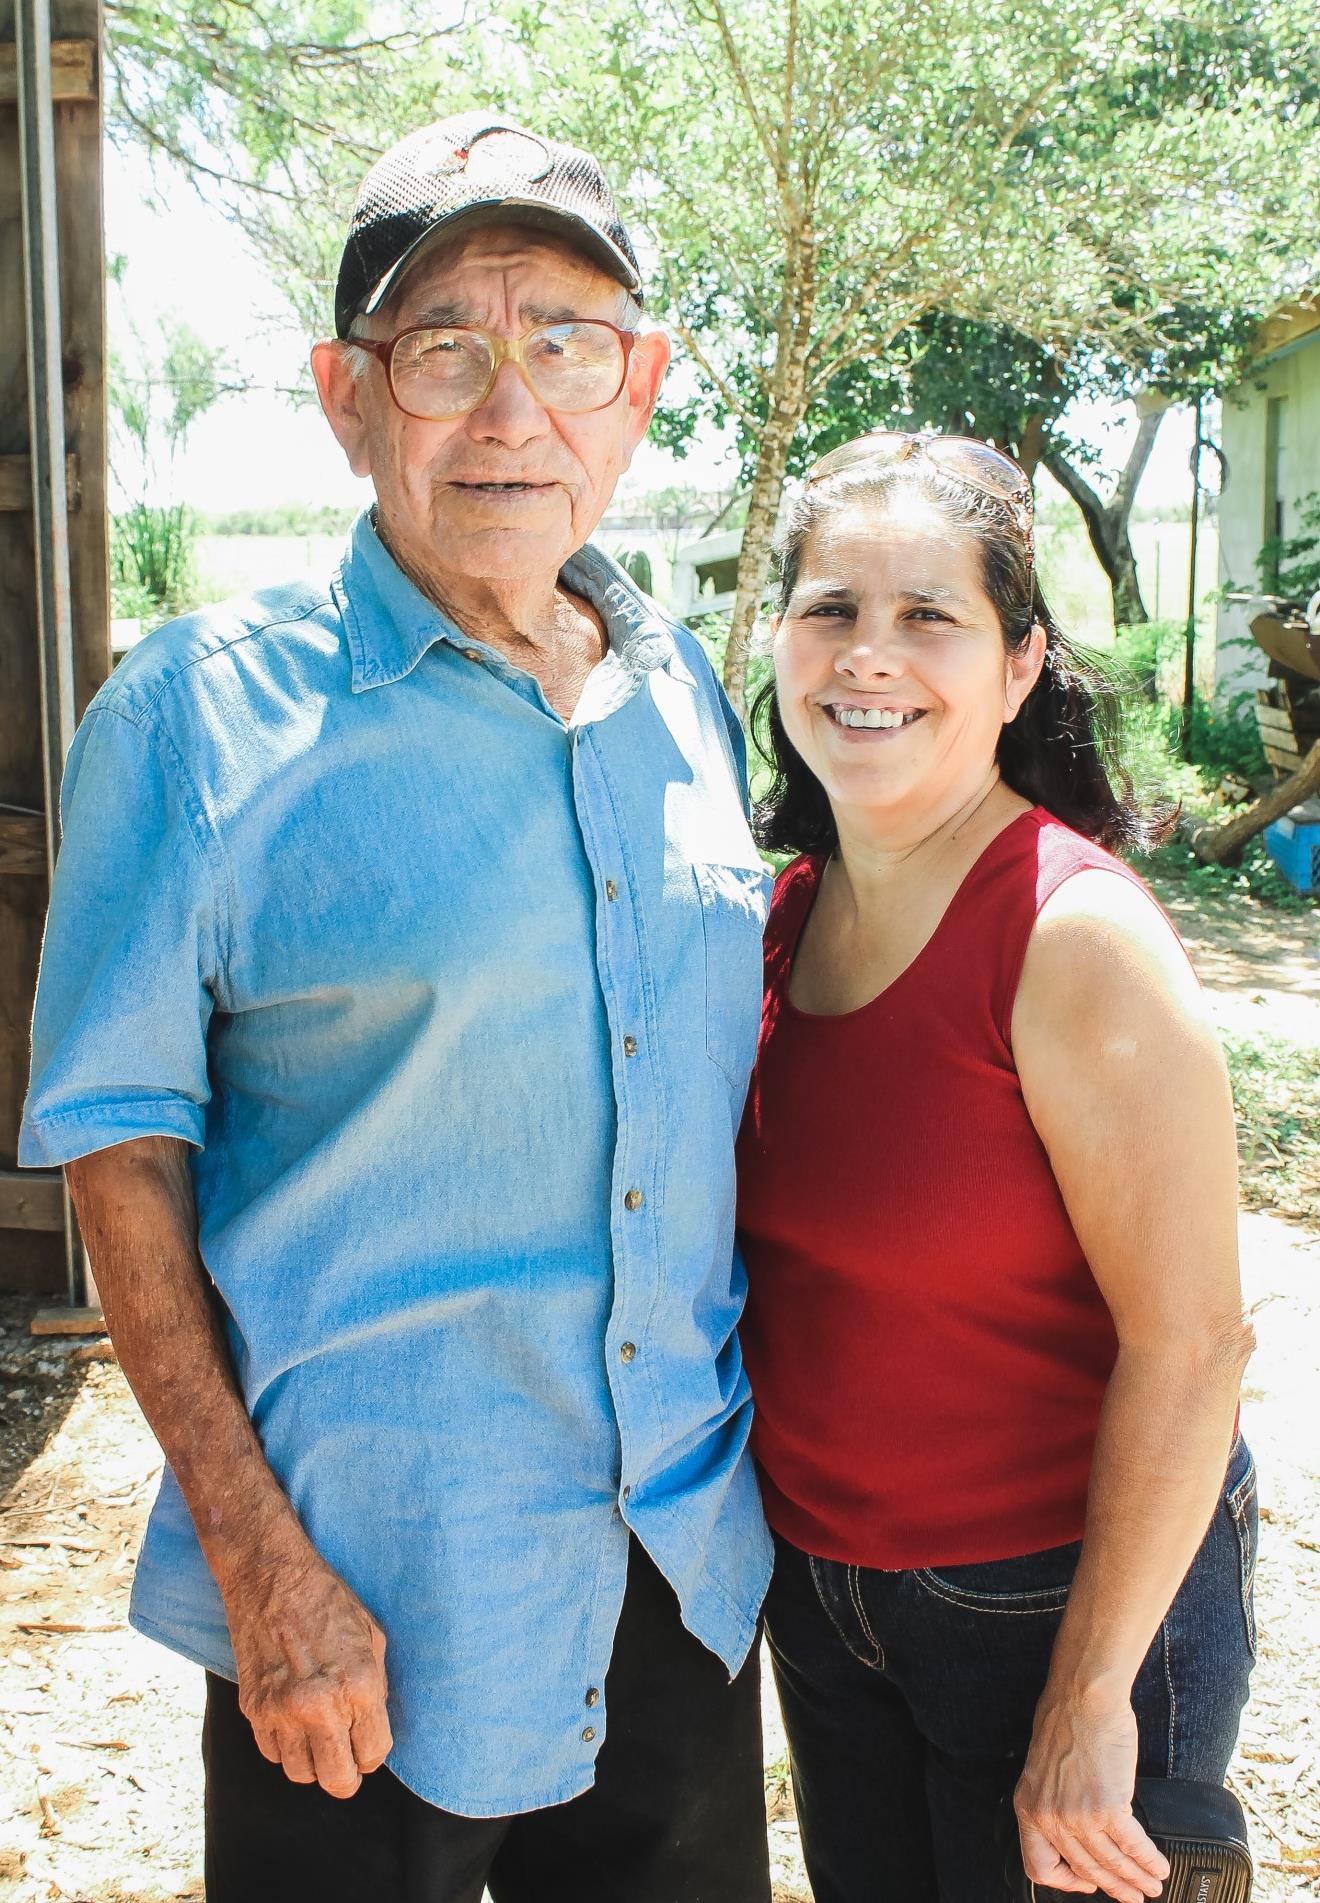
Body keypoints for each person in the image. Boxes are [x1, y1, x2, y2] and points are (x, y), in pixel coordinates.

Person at [21, 113, 775, 1903]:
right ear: (346, 398)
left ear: (641, 387)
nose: (511, 409)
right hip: (360, 1603)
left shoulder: (687, 698)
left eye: (565, 343)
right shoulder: (194, 720)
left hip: (678, 1579)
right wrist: (260, 1566)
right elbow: (119, 1158)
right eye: (444, 347)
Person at [734, 431, 1258, 1903]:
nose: (869, 655)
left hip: (1057, 1600)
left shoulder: (1071, 939)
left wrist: (1092, 1698)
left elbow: (1193, 1345)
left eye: (930, 616)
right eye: (831, 609)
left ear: (1021, 664)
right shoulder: (785, 914)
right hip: (827, 1600)